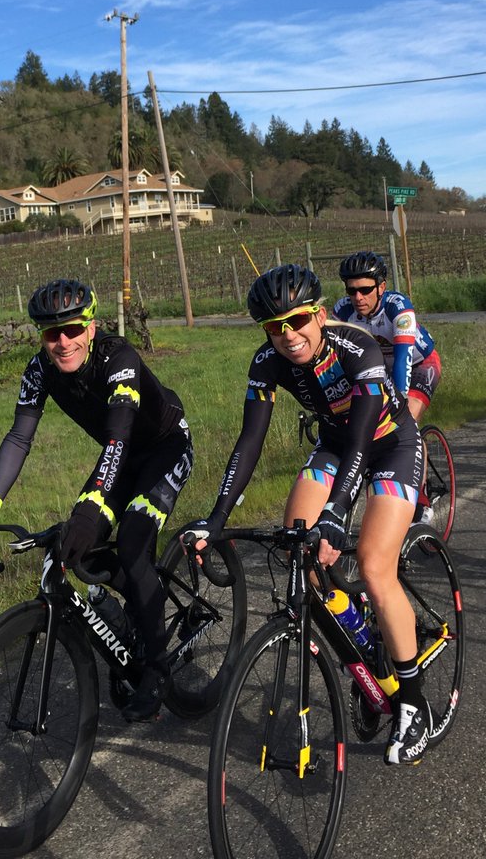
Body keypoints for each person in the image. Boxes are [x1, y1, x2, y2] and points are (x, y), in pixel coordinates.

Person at [188, 264, 430, 766]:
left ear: (318, 314)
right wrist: (216, 518)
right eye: (274, 328)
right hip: (334, 447)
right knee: (301, 552)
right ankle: (361, 641)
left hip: (389, 445)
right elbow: (249, 441)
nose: (287, 336)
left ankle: (413, 701)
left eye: (296, 321)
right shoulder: (267, 362)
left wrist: (339, 511)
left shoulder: (356, 347)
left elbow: (364, 433)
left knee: (372, 564)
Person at [0, 278, 194, 722]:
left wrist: (90, 504)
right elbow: (19, 437)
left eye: (72, 330)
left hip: (162, 448)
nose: (62, 342)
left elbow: (119, 436)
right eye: (50, 333)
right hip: (119, 456)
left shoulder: (120, 359)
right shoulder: (39, 370)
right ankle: (135, 612)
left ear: (92, 327)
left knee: (134, 539)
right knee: (76, 551)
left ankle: (157, 670)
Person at [333, 252, 441, 423]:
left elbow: (403, 357)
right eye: (351, 291)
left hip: (419, 364)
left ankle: (415, 446)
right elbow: (335, 360)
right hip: (381, 370)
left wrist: (401, 398)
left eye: (365, 290)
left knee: (405, 421)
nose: (358, 297)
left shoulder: (398, 307)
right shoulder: (343, 310)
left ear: (381, 287)